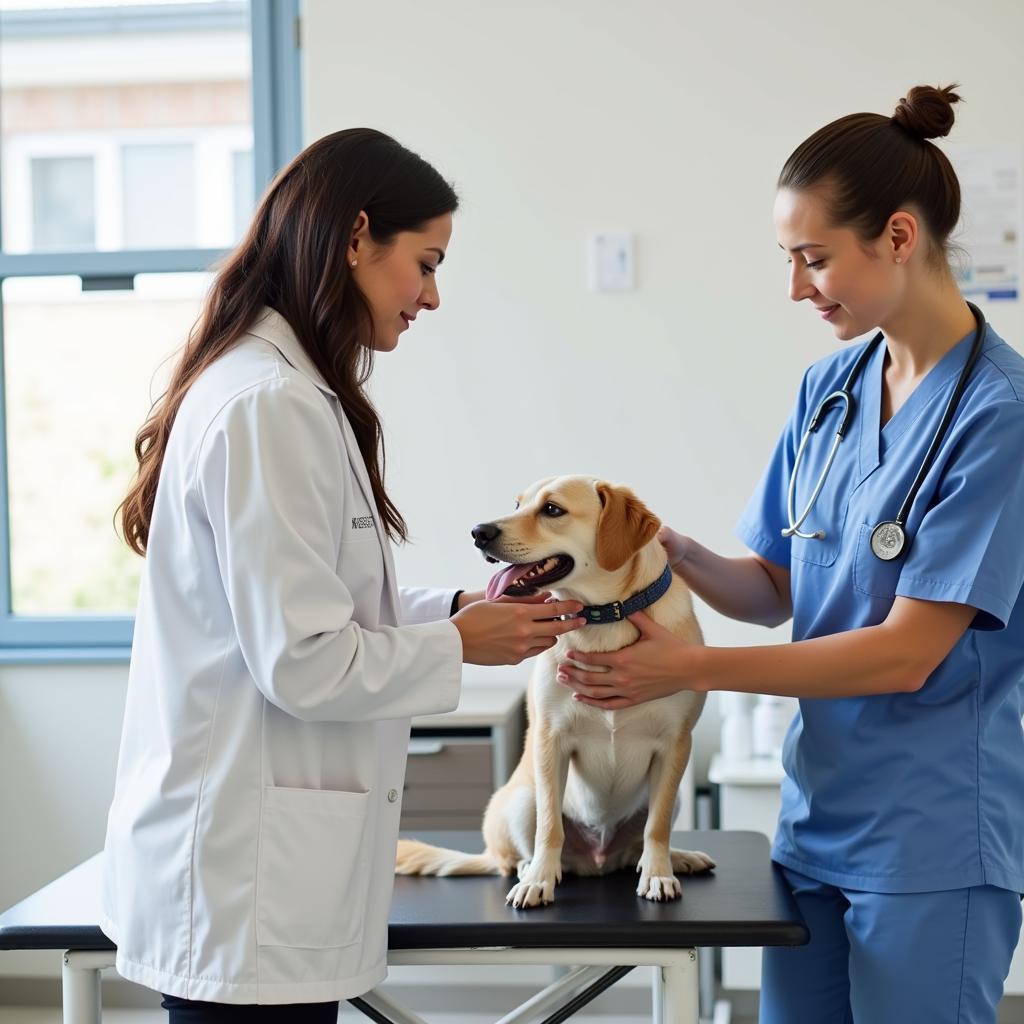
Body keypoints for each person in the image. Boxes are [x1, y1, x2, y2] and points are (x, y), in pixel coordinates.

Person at [556, 85, 1024, 1023]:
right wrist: (661, 550)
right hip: (813, 831)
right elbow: (771, 588)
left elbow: (905, 652)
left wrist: (685, 669)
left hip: (929, 840)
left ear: (898, 236)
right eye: (789, 261)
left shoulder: (998, 419)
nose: (798, 289)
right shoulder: (830, 388)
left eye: (814, 260)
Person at [101, 128, 586, 1023]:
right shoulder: (268, 404)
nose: (432, 296)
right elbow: (303, 659)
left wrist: (461, 611)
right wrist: (454, 644)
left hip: (264, 880)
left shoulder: (289, 391)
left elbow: (323, 603)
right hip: (245, 882)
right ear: (357, 237)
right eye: (426, 263)